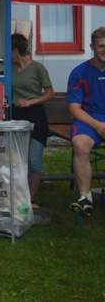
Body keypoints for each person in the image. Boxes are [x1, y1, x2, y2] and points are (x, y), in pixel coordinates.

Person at [10, 33, 54, 204]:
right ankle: (16, 196)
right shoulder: (9, 68)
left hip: (35, 115)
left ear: (15, 51)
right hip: (16, 115)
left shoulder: (37, 68)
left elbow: (50, 94)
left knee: (34, 161)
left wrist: (30, 102)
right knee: (16, 160)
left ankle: (28, 200)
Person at [67, 27, 105, 217]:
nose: (104, 50)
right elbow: (74, 108)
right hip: (89, 120)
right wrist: (98, 125)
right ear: (92, 47)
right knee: (80, 144)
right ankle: (85, 198)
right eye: (101, 46)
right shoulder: (79, 72)